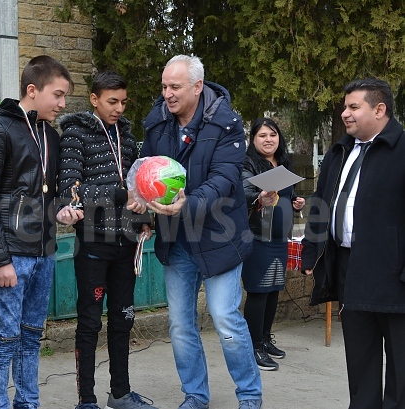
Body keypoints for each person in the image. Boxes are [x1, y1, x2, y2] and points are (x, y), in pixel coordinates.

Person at [140, 55, 262, 409]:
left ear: (197, 86)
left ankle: (250, 395)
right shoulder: (156, 122)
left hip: (220, 237)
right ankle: (195, 395)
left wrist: (188, 204)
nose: (167, 94)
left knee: (225, 319)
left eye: (175, 87)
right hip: (176, 240)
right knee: (180, 326)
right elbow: (146, 169)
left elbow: (224, 180)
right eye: (164, 86)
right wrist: (141, 206)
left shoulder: (227, 124)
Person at [0, 55, 83, 409]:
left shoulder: (50, 133)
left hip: (44, 251)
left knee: (32, 336)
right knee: (4, 337)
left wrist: (61, 210)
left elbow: (46, 191)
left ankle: (28, 404)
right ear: (32, 90)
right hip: (11, 256)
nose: (63, 104)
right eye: (58, 94)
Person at [301, 78, 405, 409]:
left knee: (402, 372)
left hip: (395, 278)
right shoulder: (340, 151)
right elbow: (319, 204)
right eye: (345, 107)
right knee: (360, 367)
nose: (345, 113)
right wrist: (311, 250)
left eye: (353, 107)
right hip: (351, 271)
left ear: (380, 109)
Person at [57, 71, 155, 409]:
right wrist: (119, 193)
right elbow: (71, 189)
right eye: (112, 102)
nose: (119, 108)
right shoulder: (74, 134)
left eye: (123, 102)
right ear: (95, 99)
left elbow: (137, 187)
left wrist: (143, 220)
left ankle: (121, 392)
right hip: (93, 244)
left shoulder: (126, 137)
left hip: (126, 242)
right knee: (88, 322)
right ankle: (86, 399)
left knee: (123, 317)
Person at [241, 118, 306, 371]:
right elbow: (245, 191)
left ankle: (265, 339)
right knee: (258, 291)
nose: (268, 139)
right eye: (262, 135)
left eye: (273, 134)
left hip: (279, 239)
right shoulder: (247, 163)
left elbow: (287, 196)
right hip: (257, 238)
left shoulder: (282, 164)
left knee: (273, 291)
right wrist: (260, 196)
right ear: (253, 140)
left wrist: (296, 201)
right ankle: (253, 346)